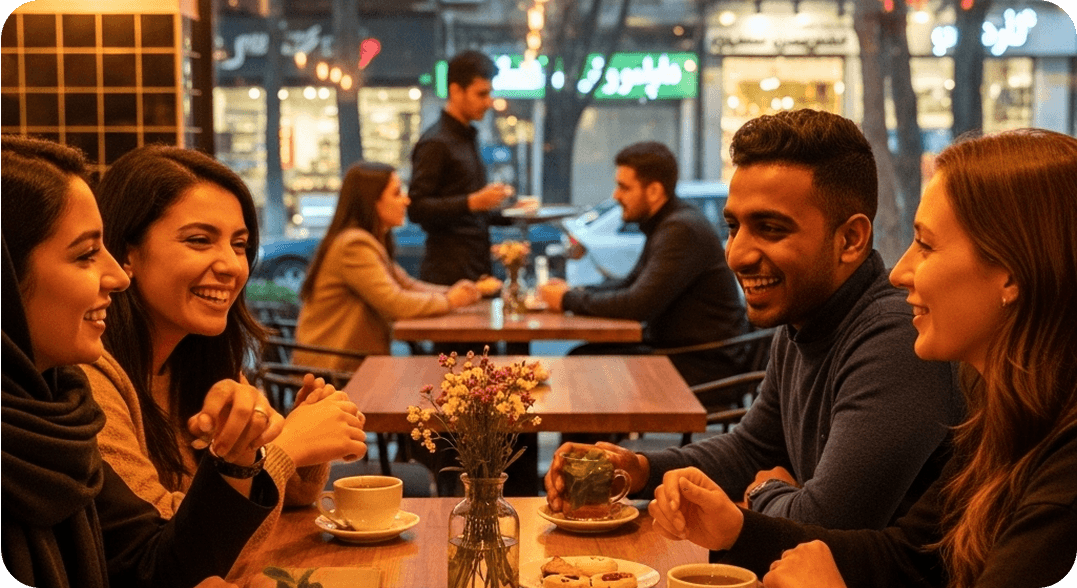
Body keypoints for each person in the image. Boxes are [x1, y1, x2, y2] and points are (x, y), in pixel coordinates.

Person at [648, 128, 1077, 588]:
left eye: (926, 245)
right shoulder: (1007, 412)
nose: (900, 271)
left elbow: (845, 527)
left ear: (1010, 275)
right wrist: (737, 529)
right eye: (733, 227)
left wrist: (764, 498)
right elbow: (912, 555)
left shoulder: (1063, 462)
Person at [545, 110, 964, 531]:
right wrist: (639, 469)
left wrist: (763, 491)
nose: (737, 255)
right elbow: (752, 449)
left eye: (771, 228)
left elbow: (823, 525)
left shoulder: (895, 339)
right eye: (733, 226)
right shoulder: (802, 318)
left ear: (850, 239)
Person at [1, 134, 277, 588]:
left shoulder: (62, 406)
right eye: (86, 254)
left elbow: (150, 566)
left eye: (240, 244)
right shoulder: (84, 386)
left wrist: (241, 456)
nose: (116, 276)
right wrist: (286, 450)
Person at [84, 146, 367, 544]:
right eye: (200, 240)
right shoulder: (90, 379)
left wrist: (307, 439)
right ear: (126, 254)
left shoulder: (202, 361)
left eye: (239, 244)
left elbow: (288, 497)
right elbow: (163, 546)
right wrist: (290, 446)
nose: (232, 266)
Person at [537, 141, 749, 386]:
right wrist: (573, 292)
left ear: (654, 191)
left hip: (704, 365)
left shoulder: (680, 229)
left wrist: (566, 299)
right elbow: (630, 284)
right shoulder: (667, 223)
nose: (616, 196)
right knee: (583, 358)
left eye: (624, 187)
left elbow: (638, 304)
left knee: (582, 362)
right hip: (684, 353)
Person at [293, 161, 480, 371]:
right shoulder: (354, 244)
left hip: (349, 363)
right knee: (437, 375)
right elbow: (394, 303)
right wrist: (450, 300)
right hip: (332, 372)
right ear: (372, 200)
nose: (406, 200)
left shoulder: (366, 240)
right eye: (397, 193)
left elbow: (406, 285)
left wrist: (456, 293)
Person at [408, 49, 514, 285]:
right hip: (448, 278)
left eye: (489, 93)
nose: (488, 102)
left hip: (476, 268)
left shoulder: (468, 137)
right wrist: (472, 202)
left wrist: (513, 211)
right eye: (481, 94)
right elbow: (416, 209)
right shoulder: (435, 142)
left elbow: (472, 214)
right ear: (456, 91)